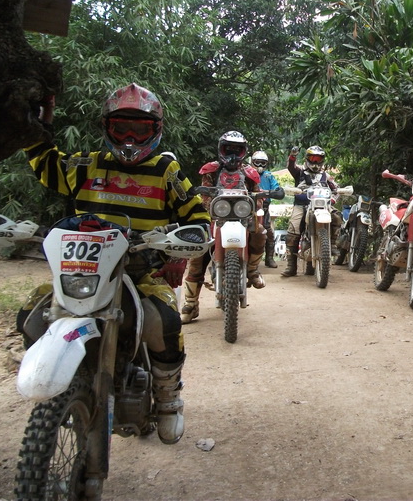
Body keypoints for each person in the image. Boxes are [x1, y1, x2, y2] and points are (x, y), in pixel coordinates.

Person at [20, 83, 210, 444]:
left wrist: (175, 252)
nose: (130, 137)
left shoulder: (166, 171)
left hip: (139, 272)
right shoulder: (86, 165)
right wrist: (42, 118)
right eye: (121, 128)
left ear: (155, 130)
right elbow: (45, 163)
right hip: (82, 273)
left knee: (164, 322)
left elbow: (197, 217)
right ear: (107, 128)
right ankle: (59, 375)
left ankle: (168, 398)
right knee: (30, 314)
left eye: (139, 129)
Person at [181, 131, 268, 323]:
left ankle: (252, 269)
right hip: (215, 216)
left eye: (238, 150)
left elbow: (257, 194)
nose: (233, 154)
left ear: (244, 152)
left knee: (261, 233)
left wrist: (258, 200)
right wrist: (206, 200)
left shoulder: (250, 173)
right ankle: (191, 303)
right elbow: (204, 194)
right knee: (198, 251)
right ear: (221, 149)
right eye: (229, 149)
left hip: (243, 217)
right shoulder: (211, 170)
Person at [281, 145, 341, 277]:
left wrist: (333, 200)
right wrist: (293, 156)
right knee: (293, 230)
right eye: (313, 158)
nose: (315, 162)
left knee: (336, 216)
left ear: (322, 160)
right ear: (307, 158)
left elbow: (336, 189)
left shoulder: (326, 176)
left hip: (323, 205)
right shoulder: (300, 172)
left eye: (318, 159)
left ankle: (332, 244)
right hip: (302, 205)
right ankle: (291, 266)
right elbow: (291, 167)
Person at [251, 150, 285, 268]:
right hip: (247, 206)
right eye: (257, 162)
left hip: (264, 207)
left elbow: (277, 188)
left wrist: (275, 191)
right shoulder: (247, 173)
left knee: (269, 232)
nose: (260, 165)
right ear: (252, 162)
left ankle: (269, 258)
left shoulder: (268, 176)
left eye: (263, 163)